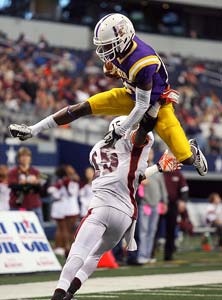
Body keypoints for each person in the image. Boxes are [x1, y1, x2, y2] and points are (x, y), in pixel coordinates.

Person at [9, 13, 207, 177]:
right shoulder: (120, 50)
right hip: (131, 94)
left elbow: (142, 106)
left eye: (108, 45)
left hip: (157, 103)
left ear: (124, 38)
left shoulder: (143, 61)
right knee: (83, 107)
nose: (104, 51)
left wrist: (120, 130)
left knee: (184, 157)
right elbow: (114, 73)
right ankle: (32, 130)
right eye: (103, 46)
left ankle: (193, 152)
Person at [50, 116, 181, 300]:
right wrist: (157, 167)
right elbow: (134, 174)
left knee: (79, 251)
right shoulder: (131, 148)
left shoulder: (96, 149)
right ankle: (70, 293)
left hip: (101, 206)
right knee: (95, 255)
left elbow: (122, 171)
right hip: (124, 215)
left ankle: (58, 294)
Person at [137, 148, 168, 264]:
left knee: (152, 231)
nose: (150, 155)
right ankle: (142, 255)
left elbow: (162, 187)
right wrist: (140, 181)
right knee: (143, 231)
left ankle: (148, 254)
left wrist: (165, 202)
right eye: (148, 153)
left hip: (156, 204)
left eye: (151, 153)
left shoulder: (157, 169)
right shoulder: (140, 168)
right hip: (145, 204)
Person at [49, 165, 80, 256]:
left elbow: (72, 192)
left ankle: (67, 247)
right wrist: (65, 184)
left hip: (71, 208)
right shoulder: (64, 181)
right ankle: (65, 248)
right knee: (65, 229)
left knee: (68, 230)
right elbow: (56, 192)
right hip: (68, 208)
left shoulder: (71, 181)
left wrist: (68, 183)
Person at [8, 147, 44, 225]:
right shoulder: (13, 172)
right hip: (17, 206)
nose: (25, 158)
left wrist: (34, 183)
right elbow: (13, 186)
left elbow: (41, 188)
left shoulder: (36, 171)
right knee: (17, 233)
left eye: (27, 156)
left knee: (39, 232)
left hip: (34, 205)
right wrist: (30, 183)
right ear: (18, 158)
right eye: (22, 156)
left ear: (30, 158)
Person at [163, 169, 189, 261]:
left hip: (173, 204)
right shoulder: (160, 172)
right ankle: (150, 254)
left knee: (171, 230)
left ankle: (168, 254)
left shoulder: (178, 174)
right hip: (160, 203)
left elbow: (184, 188)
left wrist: (183, 200)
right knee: (155, 229)